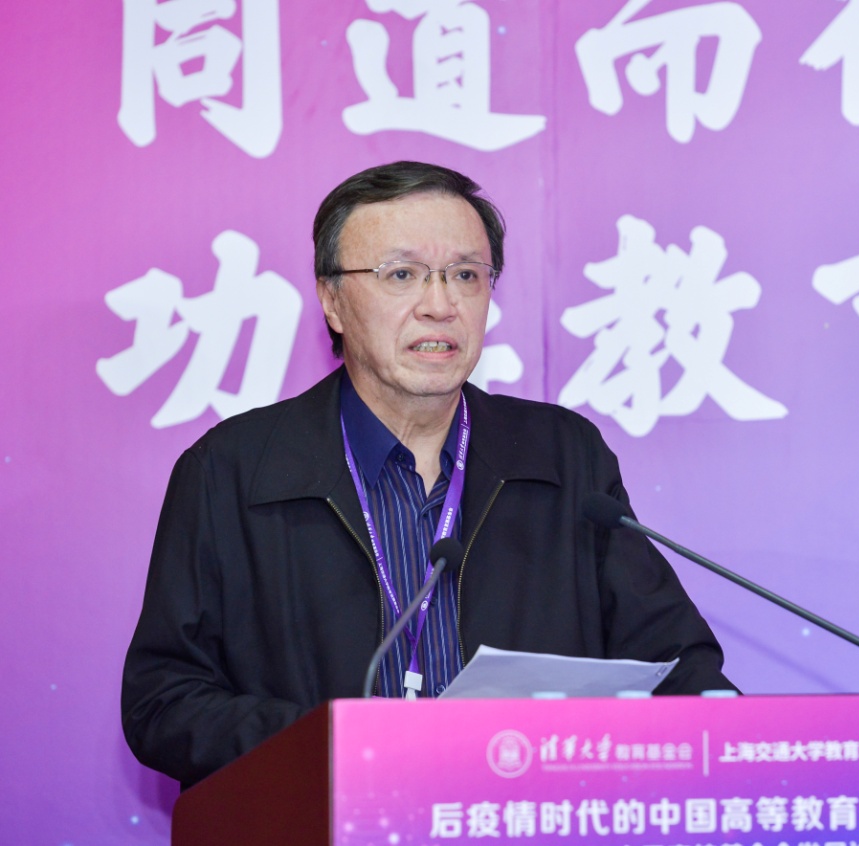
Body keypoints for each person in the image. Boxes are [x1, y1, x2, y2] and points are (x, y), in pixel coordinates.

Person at [121, 161, 735, 789]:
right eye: (402, 275)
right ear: (332, 300)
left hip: (524, 815)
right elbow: (163, 702)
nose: (440, 306)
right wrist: (341, 742)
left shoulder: (562, 457)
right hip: (329, 819)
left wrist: (736, 740)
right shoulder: (234, 471)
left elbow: (675, 663)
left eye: (466, 275)